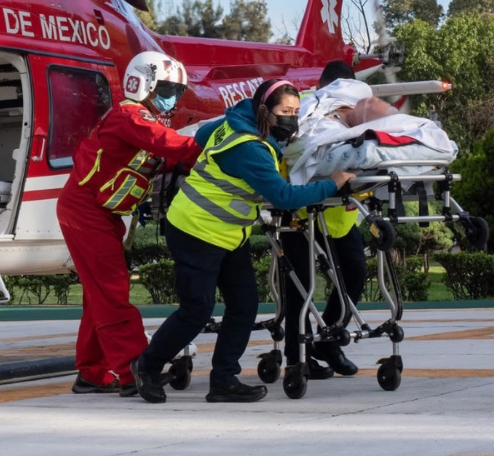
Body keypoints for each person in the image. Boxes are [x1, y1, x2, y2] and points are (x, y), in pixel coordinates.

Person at [132, 79, 355, 404]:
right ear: (265, 110)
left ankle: (224, 380)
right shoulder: (250, 148)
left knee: (244, 305)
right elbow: (282, 196)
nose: (292, 118)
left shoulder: (231, 123)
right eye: (285, 111)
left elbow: (202, 137)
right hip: (195, 229)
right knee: (197, 310)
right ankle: (147, 367)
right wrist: (332, 184)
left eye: (295, 111)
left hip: (227, 233)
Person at [57, 51, 202, 396]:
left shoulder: (144, 120)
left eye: (177, 91)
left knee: (99, 295)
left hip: (101, 213)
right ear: (143, 84)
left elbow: (163, 155)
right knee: (112, 291)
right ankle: (132, 369)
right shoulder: (130, 116)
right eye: (166, 88)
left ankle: (92, 373)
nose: (172, 97)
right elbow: (171, 145)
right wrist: (217, 148)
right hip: (86, 211)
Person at [282, 61, 369, 380]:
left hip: (339, 217)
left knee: (355, 275)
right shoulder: (306, 106)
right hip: (299, 215)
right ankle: (297, 358)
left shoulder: (359, 109)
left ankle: (328, 340)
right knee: (300, 288)